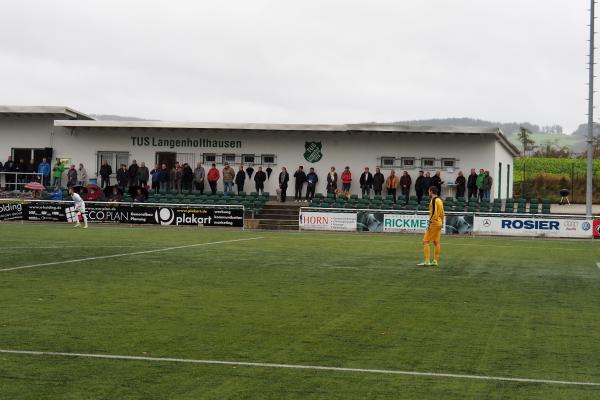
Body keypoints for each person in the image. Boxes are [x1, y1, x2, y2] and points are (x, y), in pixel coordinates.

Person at [417, 186, 445, 267]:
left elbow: (434, 213)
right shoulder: (440, 200)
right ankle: (435, 261)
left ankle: (427, 261)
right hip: (439, 222)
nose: (428, 193)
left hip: (434, 223)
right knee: (436, 242)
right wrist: (442, 221)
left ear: (431, 192)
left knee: (425, 241)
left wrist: (430, 222)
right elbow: (442, 213)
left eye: (429, 191)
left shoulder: (434, 200)